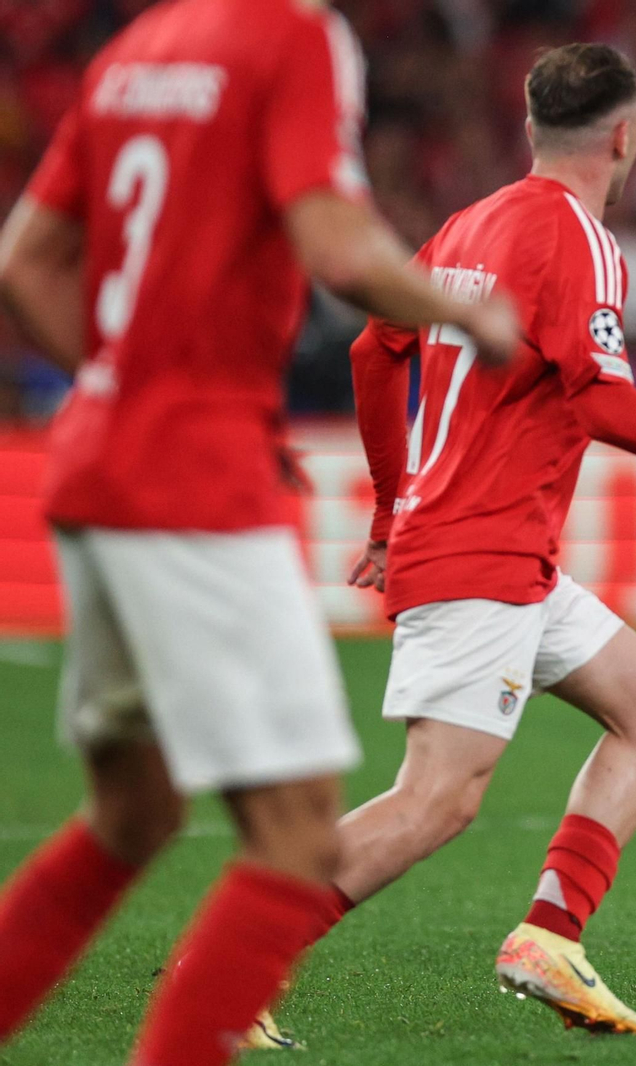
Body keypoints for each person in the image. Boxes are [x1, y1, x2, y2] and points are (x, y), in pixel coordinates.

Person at [0, 0, 521, 1062]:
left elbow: (24, 261)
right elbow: (334, 240)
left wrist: (125, 384)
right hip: (194, 481)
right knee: (291, 836)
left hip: (95, 458)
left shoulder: (134, 49)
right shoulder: (293, 36)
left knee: (131, 814)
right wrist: (466, 313)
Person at [284, 43, 636, 1037]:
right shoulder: (577, 238)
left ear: (535, 128)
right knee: (437, 798)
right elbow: (603, 401)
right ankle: (233, 961)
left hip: (501, 554)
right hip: (480, 553)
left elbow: (377, 347)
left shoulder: (471, 220)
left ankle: (550, 931)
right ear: (625, 136)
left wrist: (386, 503)